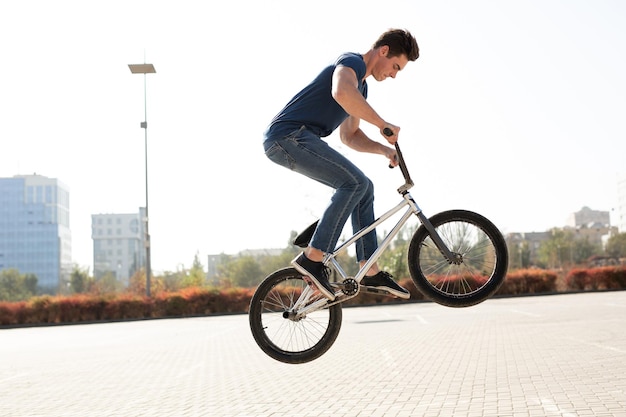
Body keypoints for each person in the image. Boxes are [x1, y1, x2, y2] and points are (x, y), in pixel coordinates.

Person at [263, 29, 419, 301]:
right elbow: (341, 91)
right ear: (383, 51)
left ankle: (369, 268)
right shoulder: (352, 63)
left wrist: (383, 149)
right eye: (395, 67)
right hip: (288, 136)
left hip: (298, 139)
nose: (394, 75)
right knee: (353, 183)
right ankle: (313, 258)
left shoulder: (363, 88)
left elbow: (349, 136)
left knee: (364, 187)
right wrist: (382, 124)